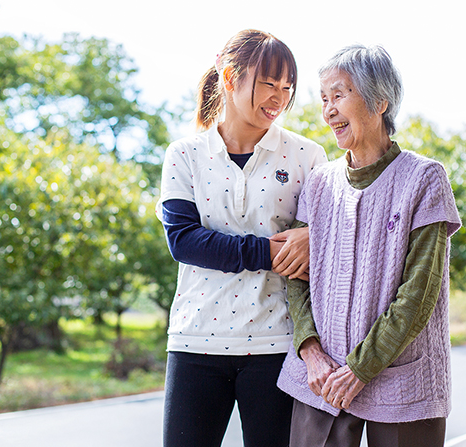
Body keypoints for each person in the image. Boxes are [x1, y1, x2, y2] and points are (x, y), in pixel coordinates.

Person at [277, 44, 462, 447]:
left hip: (403, 382)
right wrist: (309, 350)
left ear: (380, 101)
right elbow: (295, 274)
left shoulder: (425, 178)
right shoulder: (319, 183)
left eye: (339, 95)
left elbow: (420, 292)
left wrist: (361, 368)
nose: (327, 110)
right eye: (323, 98)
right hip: (322, 380)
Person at [156, 29, 327, 447]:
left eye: (287, 87)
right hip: (195, 340)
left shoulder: (308, 156)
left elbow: (325, 240)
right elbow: (184, 240)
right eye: (269, 83)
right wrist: (269, 251)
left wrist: (314, 238)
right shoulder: (184, 154)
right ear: (230, 78)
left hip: (277, 343)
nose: (279, 97)